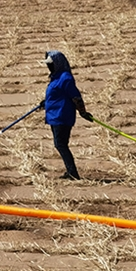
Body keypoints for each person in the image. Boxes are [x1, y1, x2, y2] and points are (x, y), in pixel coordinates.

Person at [38, 51, 92, 180]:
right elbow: (58, 94)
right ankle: (71, 172)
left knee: (60, 144)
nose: (49, 67)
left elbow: (75, 96)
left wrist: (82, 111)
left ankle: (72, 173)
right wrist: (46, 102)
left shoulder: (65, 78)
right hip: (54, 115)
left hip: (61, 116)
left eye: (51, 64)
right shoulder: (56, 76)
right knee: (60, 144)